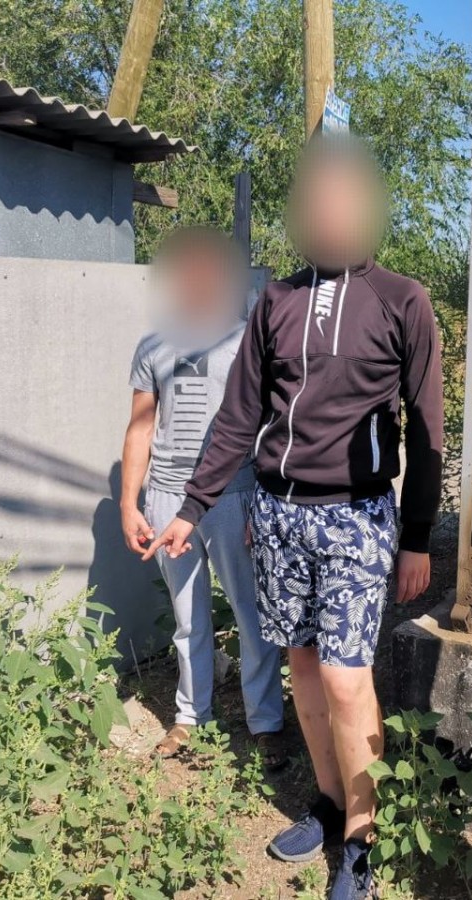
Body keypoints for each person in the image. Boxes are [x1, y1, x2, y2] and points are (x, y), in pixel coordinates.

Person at [144, 137, 443, 900]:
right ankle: (331, 800)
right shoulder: (276, 301)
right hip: (278, 516)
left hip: (356, 518)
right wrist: (193, 507)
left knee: (346, 677)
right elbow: (239, 416)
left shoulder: (402, 300)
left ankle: (363, 841)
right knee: (303, 664)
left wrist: (417, 537)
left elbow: (427, 431)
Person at [122, 226, 286, 767]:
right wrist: (129, 502)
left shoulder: (246, 342)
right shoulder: (152, 345)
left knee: (250, 613)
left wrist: (262, 502)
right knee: (188, 617)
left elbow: (270, 428)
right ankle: (191, 717)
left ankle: (265, 721)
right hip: (167, 498)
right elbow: (140, 428)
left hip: (234, 494)